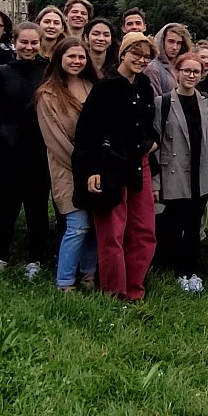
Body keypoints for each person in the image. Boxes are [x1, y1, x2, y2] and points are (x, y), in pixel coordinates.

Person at [72, 32, 160, 301]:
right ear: (123, 53)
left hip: (139, 163)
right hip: (109, 163)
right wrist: (91, 170)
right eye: (136, 53)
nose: (141, 60)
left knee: (144, 230)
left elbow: (149, 125)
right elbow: (87, 132)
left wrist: (152, 143)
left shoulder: (145, 86)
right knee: (112, 231)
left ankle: (135, 288)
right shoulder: (105, 87)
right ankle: (114, 290)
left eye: (146, 56)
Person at [152, 53, 208, 293]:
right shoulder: (163, 103)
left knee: (194, 226)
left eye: (196, 71)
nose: (191, 75)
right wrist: (155, 182)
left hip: (201, 174)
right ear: (177, 72)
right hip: (173, 174)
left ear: (202, 75)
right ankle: (177, 270)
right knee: (174, 225)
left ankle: (191, 270)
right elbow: (155, 145)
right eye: (186, 70)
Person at [0, 23, 50, 278]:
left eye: (34, 43)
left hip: (40, 148)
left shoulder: (49, 72)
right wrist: (0, 134)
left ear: (40, 44)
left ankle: (36, 256)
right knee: (4, 205)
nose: (29, 47)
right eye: (24, 42)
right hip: (7, 149)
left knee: (37, 206)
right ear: (14, 42)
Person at [36, 38, 97, 291]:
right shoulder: (47, 94)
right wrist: (83, 167)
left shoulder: (92, 86)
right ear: (59, 59)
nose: (77, 61)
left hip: (95, 169)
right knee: (77, 226)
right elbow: (55, 140)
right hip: (66, 167)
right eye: (71, 56)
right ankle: (65, 281)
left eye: (81, 57)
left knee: (94, 224)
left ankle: (89, 275)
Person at [145, 22, 189, 97]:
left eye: (179, 43)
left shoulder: (183, 66)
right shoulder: (153, 69)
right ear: (162, 41)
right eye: (171, 41)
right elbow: (155, 100)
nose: (175, 47)